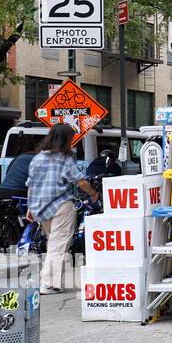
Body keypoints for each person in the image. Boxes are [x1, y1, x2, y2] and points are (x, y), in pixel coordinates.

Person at [27, 123, 98, 294]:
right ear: (66, 140)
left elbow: (31, 184)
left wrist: (30, 207)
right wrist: (93, 194)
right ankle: (47, 283)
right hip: (61, 206)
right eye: (71, 139)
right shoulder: (64, 159)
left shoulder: (37, 158)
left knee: (53, 242)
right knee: (58, 244)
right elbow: (80, 181)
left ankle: (54, 282)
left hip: (40, 207)